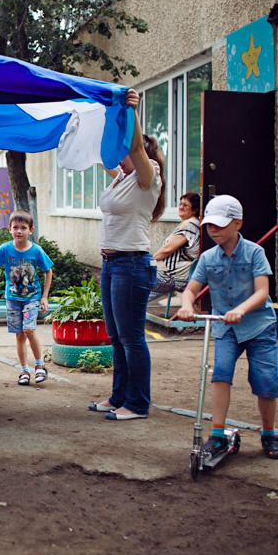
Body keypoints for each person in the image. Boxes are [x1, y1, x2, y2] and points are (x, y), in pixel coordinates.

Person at [177, 194, 278, 460]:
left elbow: (262, 292)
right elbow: (190, 290)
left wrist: (240, 309)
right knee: (220, 374)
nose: (213, 230)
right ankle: (216, 434)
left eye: (220, 225)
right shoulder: (207, 258)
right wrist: (187, 306)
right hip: (225, 329)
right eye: (210, 225)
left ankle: (269, 434)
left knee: (265, 381)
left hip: (258, 325)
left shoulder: (254, 252)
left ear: (237, 223)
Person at [88, 88, 166, 421]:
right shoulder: (122, 178)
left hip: (131, 265)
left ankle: (137, 403)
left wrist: (133, 109)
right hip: (111, 265)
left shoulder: (148, 179)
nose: (123, 152)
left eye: (129, 149)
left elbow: (134, 145)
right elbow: (106, 153)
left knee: (132, 337)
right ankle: (119, 396)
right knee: (116, 336)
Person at [0, 210, 54, 386]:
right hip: (12, 299)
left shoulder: (36, 251)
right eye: (15, 227)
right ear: (9, 229)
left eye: (23, 228)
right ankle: (24, 370)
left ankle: (39, 366)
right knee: (20, 335)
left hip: (32, 298)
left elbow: (48, 270)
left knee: (29, 330)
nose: (19, 231)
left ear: (31, 230)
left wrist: (44, 296)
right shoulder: (5, 250)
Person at [149, 192, 201, 300]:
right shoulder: (190, 224)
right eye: (180, 204)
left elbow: (167, 250)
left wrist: (149, 261)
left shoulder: (190, 225)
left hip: (172, 276)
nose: (181, 207)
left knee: (136, 281)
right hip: (171, 275)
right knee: (137, 289)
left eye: (185, 205)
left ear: (195, 210)